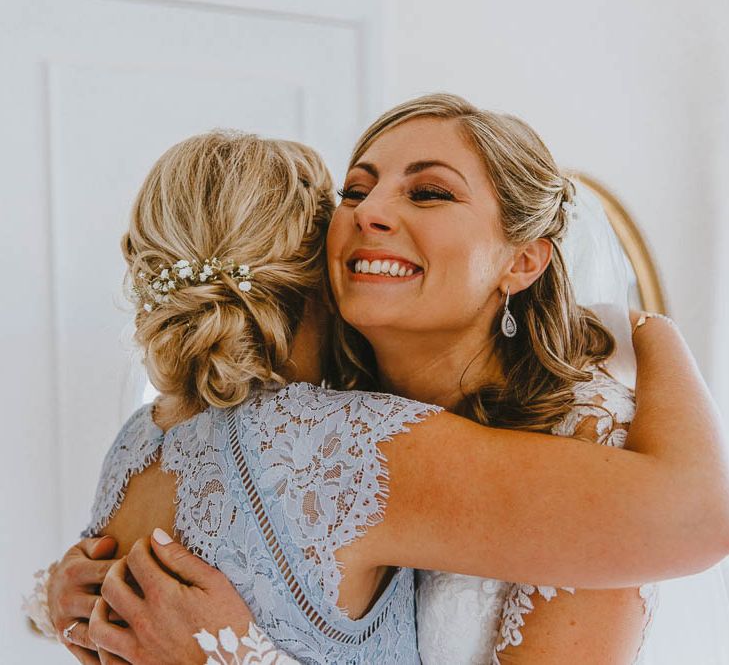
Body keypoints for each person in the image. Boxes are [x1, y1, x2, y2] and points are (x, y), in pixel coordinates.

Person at [34, 100, 728, 664]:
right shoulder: (349, 427)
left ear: (522, 261)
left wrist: (232, 656)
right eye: (353, 190)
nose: (368, 211)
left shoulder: (583, 432)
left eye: (428, 191)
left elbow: (702, 518)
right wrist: (66, 604)